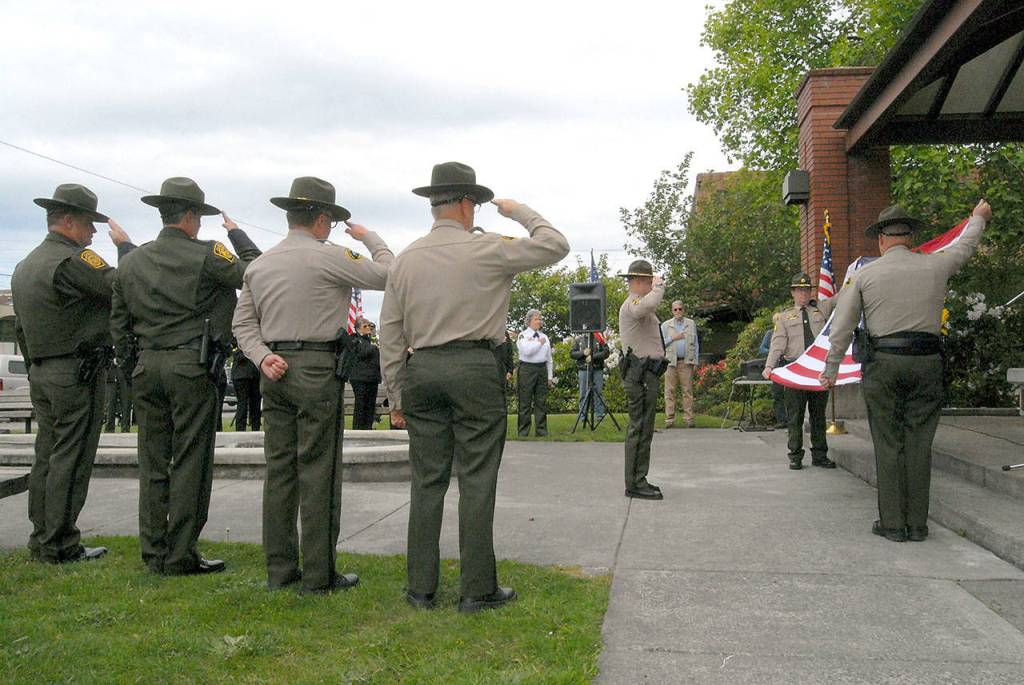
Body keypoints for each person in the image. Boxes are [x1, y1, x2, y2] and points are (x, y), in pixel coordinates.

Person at [379, 161, 569, 612]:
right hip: (474, 367)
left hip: (422, 368)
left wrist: (396, 395)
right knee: (477, 479)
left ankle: (421, 589)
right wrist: (520, 211)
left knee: (427, 481)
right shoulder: (488, 249)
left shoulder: (405, 259)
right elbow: (555, 245)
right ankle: (476, 589)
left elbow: (390, 334)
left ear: (434, 205)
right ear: (467, 204)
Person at [233, 176, 393, 593]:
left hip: (274, 367)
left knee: (280, 473)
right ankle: (319, 574)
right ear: (323, 219)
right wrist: (371, 237)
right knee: (320, 470)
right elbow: (389, 273)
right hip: (317, 368)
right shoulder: (330, 257)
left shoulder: (259, 264)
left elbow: (242, 323)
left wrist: (261, 355)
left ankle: (280, 571)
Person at [111, 177, 260, 576]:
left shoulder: (133, 260)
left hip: (146, 366)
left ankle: (154, 552)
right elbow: (256, 273)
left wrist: (131, 367)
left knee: (153, 463)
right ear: (192, 216)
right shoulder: (208, 253)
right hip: (191, 366)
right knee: (191, 462)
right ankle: (180, 554)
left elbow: (119, 324)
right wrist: (238, 236)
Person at [821, 201, 991, 543]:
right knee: (919, 443)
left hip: (883, 363)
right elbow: (966, 246)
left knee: (888, 443)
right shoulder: (936, 266)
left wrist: (831, 368)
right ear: (910, 237)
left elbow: (842, 325)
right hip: (927, 363)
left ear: (881, 240)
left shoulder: (865, 275)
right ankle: (918, 525)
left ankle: (893, 524)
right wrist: (978, 218)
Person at [12, 183, 134, 564]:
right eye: (88, 224)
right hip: (75, 371)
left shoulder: (25, 265)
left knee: (47, 455)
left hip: (43, 370)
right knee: (72, 455)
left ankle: (42, 536)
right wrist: (125, 249)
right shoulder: (73, 260)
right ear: (68, 221)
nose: (93, 232)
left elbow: (20, 328)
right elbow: (122, 284)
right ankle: (61, 543)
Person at [762, 273, 837, 470]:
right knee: (794, 415)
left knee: (818, 415)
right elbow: (778, 344)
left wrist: (856, 276)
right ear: (793, 292)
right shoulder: (785, 317)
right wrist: (769, 366)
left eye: (806, 289)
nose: (803, 294)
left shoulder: (821, 309)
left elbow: (842, 298)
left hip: (818, 370)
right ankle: (795, 455)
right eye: (799, 290)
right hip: (795, 369)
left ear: (811, 291)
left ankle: (820, 455)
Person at [617, 259, 668, 500]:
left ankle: (639, 479)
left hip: (646, 374)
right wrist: (659, 289)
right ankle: (635, 483)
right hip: (640, 374)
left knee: (645, 429)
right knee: (639, 429)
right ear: (638, 281)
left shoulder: (642, 305)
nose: (652, 284)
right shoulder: (633, 304)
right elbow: (644, 307)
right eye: (649, 281)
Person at [661, 301, 700, 428]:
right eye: (675, 309)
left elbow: (696, 343)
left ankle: (688, 419)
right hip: (670, 362)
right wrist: (674, 338)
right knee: (669, 391)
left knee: (687, 391)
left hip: (686, 361)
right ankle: (669, 419)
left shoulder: (691, 324)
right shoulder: (666, 325)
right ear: (672, 311)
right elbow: (660, 343)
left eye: (680, 309)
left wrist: (696, 361)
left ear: (684, 310)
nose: (678, 311)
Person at [516, 310, 554, 436]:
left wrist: (549, 376)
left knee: (541, 401)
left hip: (541, 368)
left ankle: (541, 430)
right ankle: (523, 431)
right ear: (529, 321)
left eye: (540, 319)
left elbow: (549, 358)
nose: (539, 321)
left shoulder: (545, 336)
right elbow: (527, 351)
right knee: (525, 401)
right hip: (527, 369)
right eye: (536, 319)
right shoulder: (523, 335)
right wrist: (539, 343)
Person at [350, 317, 382, 430]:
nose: (369, 328)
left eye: (370, 326)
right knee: (361, 406)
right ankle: (357, 430)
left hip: (372, 378)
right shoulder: (354, 339)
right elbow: (361, 353)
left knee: (370, 407)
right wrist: (374, 348)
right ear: (358, 328)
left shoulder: (371, 340)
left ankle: (368, 429)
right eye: (365, 326)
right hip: (360, 378)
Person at [570, 331, 609, 420]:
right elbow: (572, 354)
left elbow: (606, 352)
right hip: (583, 369)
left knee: (598, 392)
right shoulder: (579, 339)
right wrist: (583, 353)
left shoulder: (599, 337)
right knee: (583, 392)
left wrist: (593, 357)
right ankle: (583, 416)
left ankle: (599, 414)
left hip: (597, 369)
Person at [759, 326, 787, 429]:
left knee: (792, 394)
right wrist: (773, 352)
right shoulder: (770, 333)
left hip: (789, 364)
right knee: (778, 394)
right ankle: (781, 420)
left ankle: (793, 420)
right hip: (776, 367)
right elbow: (762, 349)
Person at [230, 340, 261, 431]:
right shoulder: (238, 340)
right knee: (243, 403)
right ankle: (241, 429)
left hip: (252, 374)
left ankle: (254, 428)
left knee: (254, 404)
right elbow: (237, 355)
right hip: (242, 375)